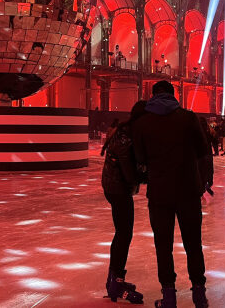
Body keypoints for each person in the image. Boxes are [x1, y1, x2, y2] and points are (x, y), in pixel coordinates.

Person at [132, 81, 210, 308]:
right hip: (188, 190)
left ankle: (169, 296)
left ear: (153, 95)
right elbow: (203, 150)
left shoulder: (143, 123)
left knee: (163, 245)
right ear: (174, 95)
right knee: (193, 243)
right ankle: (199, 294)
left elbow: (140, 157)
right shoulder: (188, 118)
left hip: (160, 193)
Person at [101, 101, 146, 304]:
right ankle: (116, 282)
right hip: (118, 190)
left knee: (123, 232)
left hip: (114, 187)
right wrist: (148, 176)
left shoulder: (125, 132)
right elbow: (129, 175)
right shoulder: (127, 138)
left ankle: (115, 280)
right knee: (124, 233)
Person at [198, 117, 215, 198]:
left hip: (200, 154)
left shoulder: (197, 131)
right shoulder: (209, 130)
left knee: (201, 172)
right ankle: (207, 184)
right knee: (208, 171)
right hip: (208, 154)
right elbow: (215, 140)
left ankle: (202, 188)